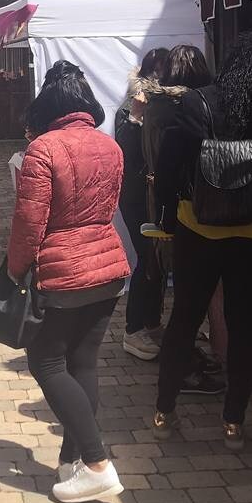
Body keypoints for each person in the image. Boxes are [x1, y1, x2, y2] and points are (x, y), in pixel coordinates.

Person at [150, 32, 252, 450]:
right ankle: (234, 420)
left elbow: (169, 163)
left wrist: (166, 211)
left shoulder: (199, 101)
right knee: (243, 319)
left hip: (199, 224)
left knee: (185, 316)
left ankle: (164, 408)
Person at [7, 60, 130, 503]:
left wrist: (15, 268)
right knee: (84, 363)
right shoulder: (110, 146)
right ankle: (71, 460)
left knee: (46, 363)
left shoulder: (44, 150)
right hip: (108, 266)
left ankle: (97, 464)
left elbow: (29, 220)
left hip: (63, 272)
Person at [139, 45, 225, 396]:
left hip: (163, 203)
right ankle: (184, 370)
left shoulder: (154, 105)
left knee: (178, 293)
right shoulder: (184, 108)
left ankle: (185, 363)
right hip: (189, 208)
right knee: (189, 302)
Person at [115, 48, 169, 361]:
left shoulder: (169, 103)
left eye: (166, 70)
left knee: (159, 262)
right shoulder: (133, 104)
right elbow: (124, 148)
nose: (161, 77)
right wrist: (136, 115)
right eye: (157, 70)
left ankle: (151, 322)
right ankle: (133, 329)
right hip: (137, 195)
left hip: (161, 193)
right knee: (147, 258)